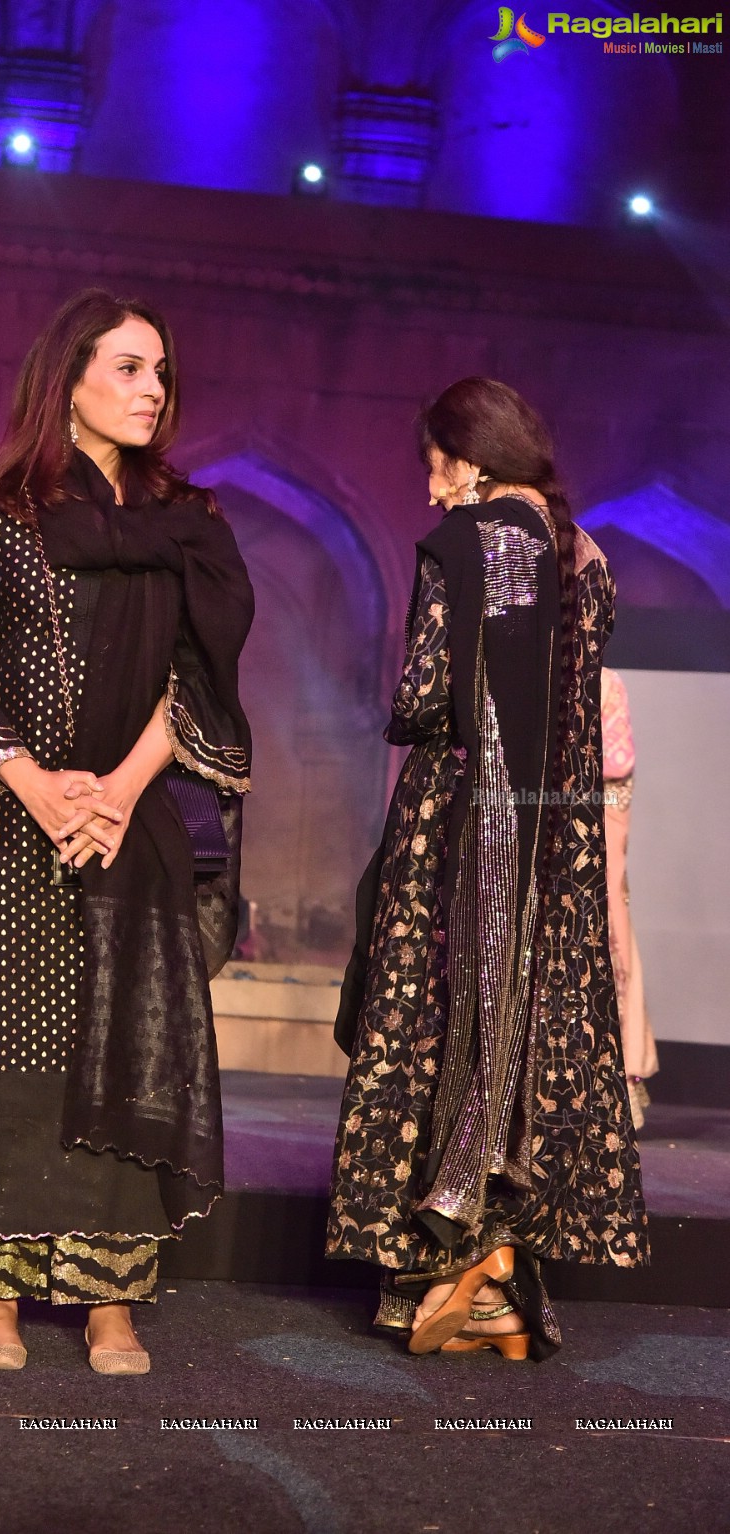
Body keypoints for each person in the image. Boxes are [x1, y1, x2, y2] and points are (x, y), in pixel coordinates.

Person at [0, 289, 253, 1375]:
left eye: (161, 372)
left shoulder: (191, 526)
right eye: (127, 368)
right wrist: (36, 784)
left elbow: (201, 678)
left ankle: (111, 1294)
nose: (152, 390)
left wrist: (114, 791)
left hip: (124, 830)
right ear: (68, 377)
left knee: (112, 1052)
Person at [327, 377, 648, 1361]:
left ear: (471, 456)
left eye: (435, 465)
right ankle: (495, 1281)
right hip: (554, 839)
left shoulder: (472, 541)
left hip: (461, 829)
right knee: (511, 1042)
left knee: (437, 1030)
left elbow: (428, 697)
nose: (430, 490)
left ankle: (447, 1269)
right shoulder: (581, 555)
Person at [601, 666, 658, 1129]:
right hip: (547, 819)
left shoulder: (606, 682)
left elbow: (617, 762)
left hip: (599, 819)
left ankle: (617, 1080)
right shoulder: (539, 674)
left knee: (609, 931)